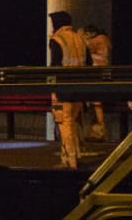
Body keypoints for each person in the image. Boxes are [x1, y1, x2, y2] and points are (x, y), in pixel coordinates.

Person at [47, 11, 87, 168]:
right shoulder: (80, 38)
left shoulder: (58, 40)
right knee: (74, 122)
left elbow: (54, 66)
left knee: (65, 124)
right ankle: (76, 154)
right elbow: (88, 63)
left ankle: (70, 161)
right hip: (80, 89)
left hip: (63, 89)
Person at [82, 25, 112, 141]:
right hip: (101, 74)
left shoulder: (99, 40)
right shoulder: (104, 39)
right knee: (95, 104)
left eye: (86, 34)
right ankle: (98, 130)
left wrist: (80, 37)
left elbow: (86, 47)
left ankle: (100, 130)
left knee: (96, 104)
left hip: (97, 75)